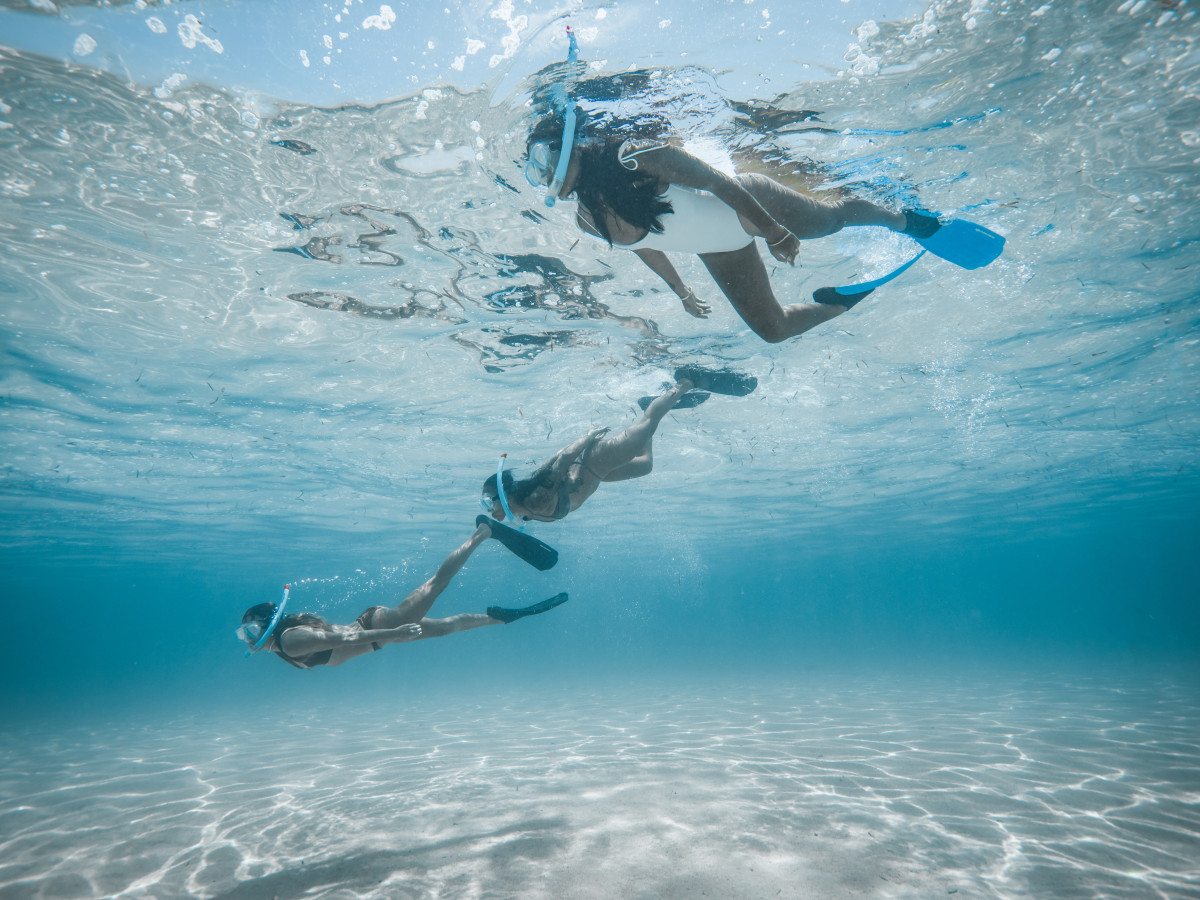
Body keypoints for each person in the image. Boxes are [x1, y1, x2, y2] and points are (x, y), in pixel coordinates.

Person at [523, 110, 945, 344]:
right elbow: (645, 247)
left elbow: (713, 180)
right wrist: (681, 291)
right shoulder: (585, 217)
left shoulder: (631, 156)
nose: (541, 176)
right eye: (533, 170)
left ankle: (901, 219)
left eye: (541, 159)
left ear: (568, 145)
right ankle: (839, 303)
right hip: (719, 247)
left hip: (746, 202)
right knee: (772, 330)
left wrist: (773, 229)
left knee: (830, 222)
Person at [237, 519, 567, 668]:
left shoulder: (290, 641)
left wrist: (394, 631)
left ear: (269, 624)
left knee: (438, 583)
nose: (250, 639)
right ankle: (500, 618)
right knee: (444, 628)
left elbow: (345, 641)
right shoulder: (284, 640)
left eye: (251, 631)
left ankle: (483, 532)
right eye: (245, 634)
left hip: (377, 629)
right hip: (377, 631)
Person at [480, 367, 752, 523]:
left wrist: (588, 438)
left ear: (501, 496)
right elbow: (551, 463)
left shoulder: (534, 499)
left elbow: (562, 461)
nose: (488, 509)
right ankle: (653, 404)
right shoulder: (526, 512)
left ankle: (686, 381)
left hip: (592, 461)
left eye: (487, 502)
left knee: (646, 427)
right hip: (594, 474)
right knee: (645, 465)